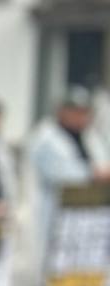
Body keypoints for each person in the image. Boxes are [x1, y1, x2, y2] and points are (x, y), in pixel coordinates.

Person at [30, 87, 109, 257]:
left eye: (84, 112)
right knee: (53, 262)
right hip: (54, 214)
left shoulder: (90, 137)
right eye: (75, 111)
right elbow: (60, 174)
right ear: (61, 111)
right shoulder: (46, 137)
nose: (80, 117)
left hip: (87, 217)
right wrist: (95, 174)